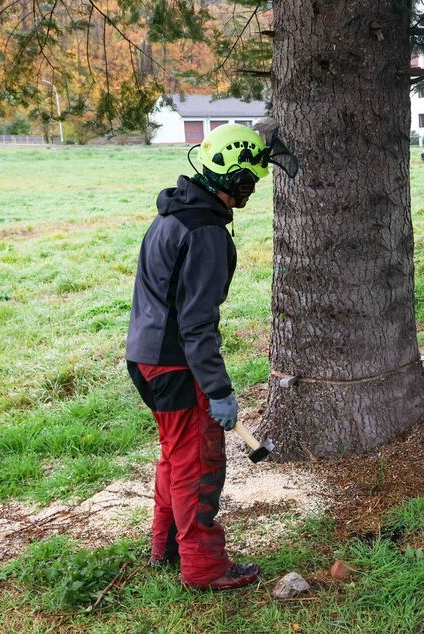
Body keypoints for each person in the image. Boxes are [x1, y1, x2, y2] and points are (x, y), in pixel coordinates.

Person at [125, 123, 277, 590]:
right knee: (197, 465)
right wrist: (218, 389)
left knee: (175, 458)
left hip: (144, 357)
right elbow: (196, 323)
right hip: (176, 364)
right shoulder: (206, 231)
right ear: (231, 177)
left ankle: (166, 546)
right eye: (249, 180)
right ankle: (204, 568)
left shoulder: (174, 211)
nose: (251, 190)